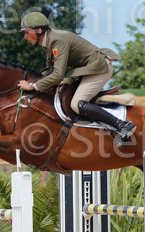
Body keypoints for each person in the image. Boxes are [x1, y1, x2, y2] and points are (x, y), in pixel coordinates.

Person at [16, 12, 136, 144]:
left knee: (77, 104)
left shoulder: (57, 40)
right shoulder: (48, 41)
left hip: (99, 69)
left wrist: (33, 86)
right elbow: (50, 70)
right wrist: (32, 82)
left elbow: (57, 75)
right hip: (84, 70)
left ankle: (122, 125)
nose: (24, 37)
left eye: (25, 32)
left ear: (39, 30)